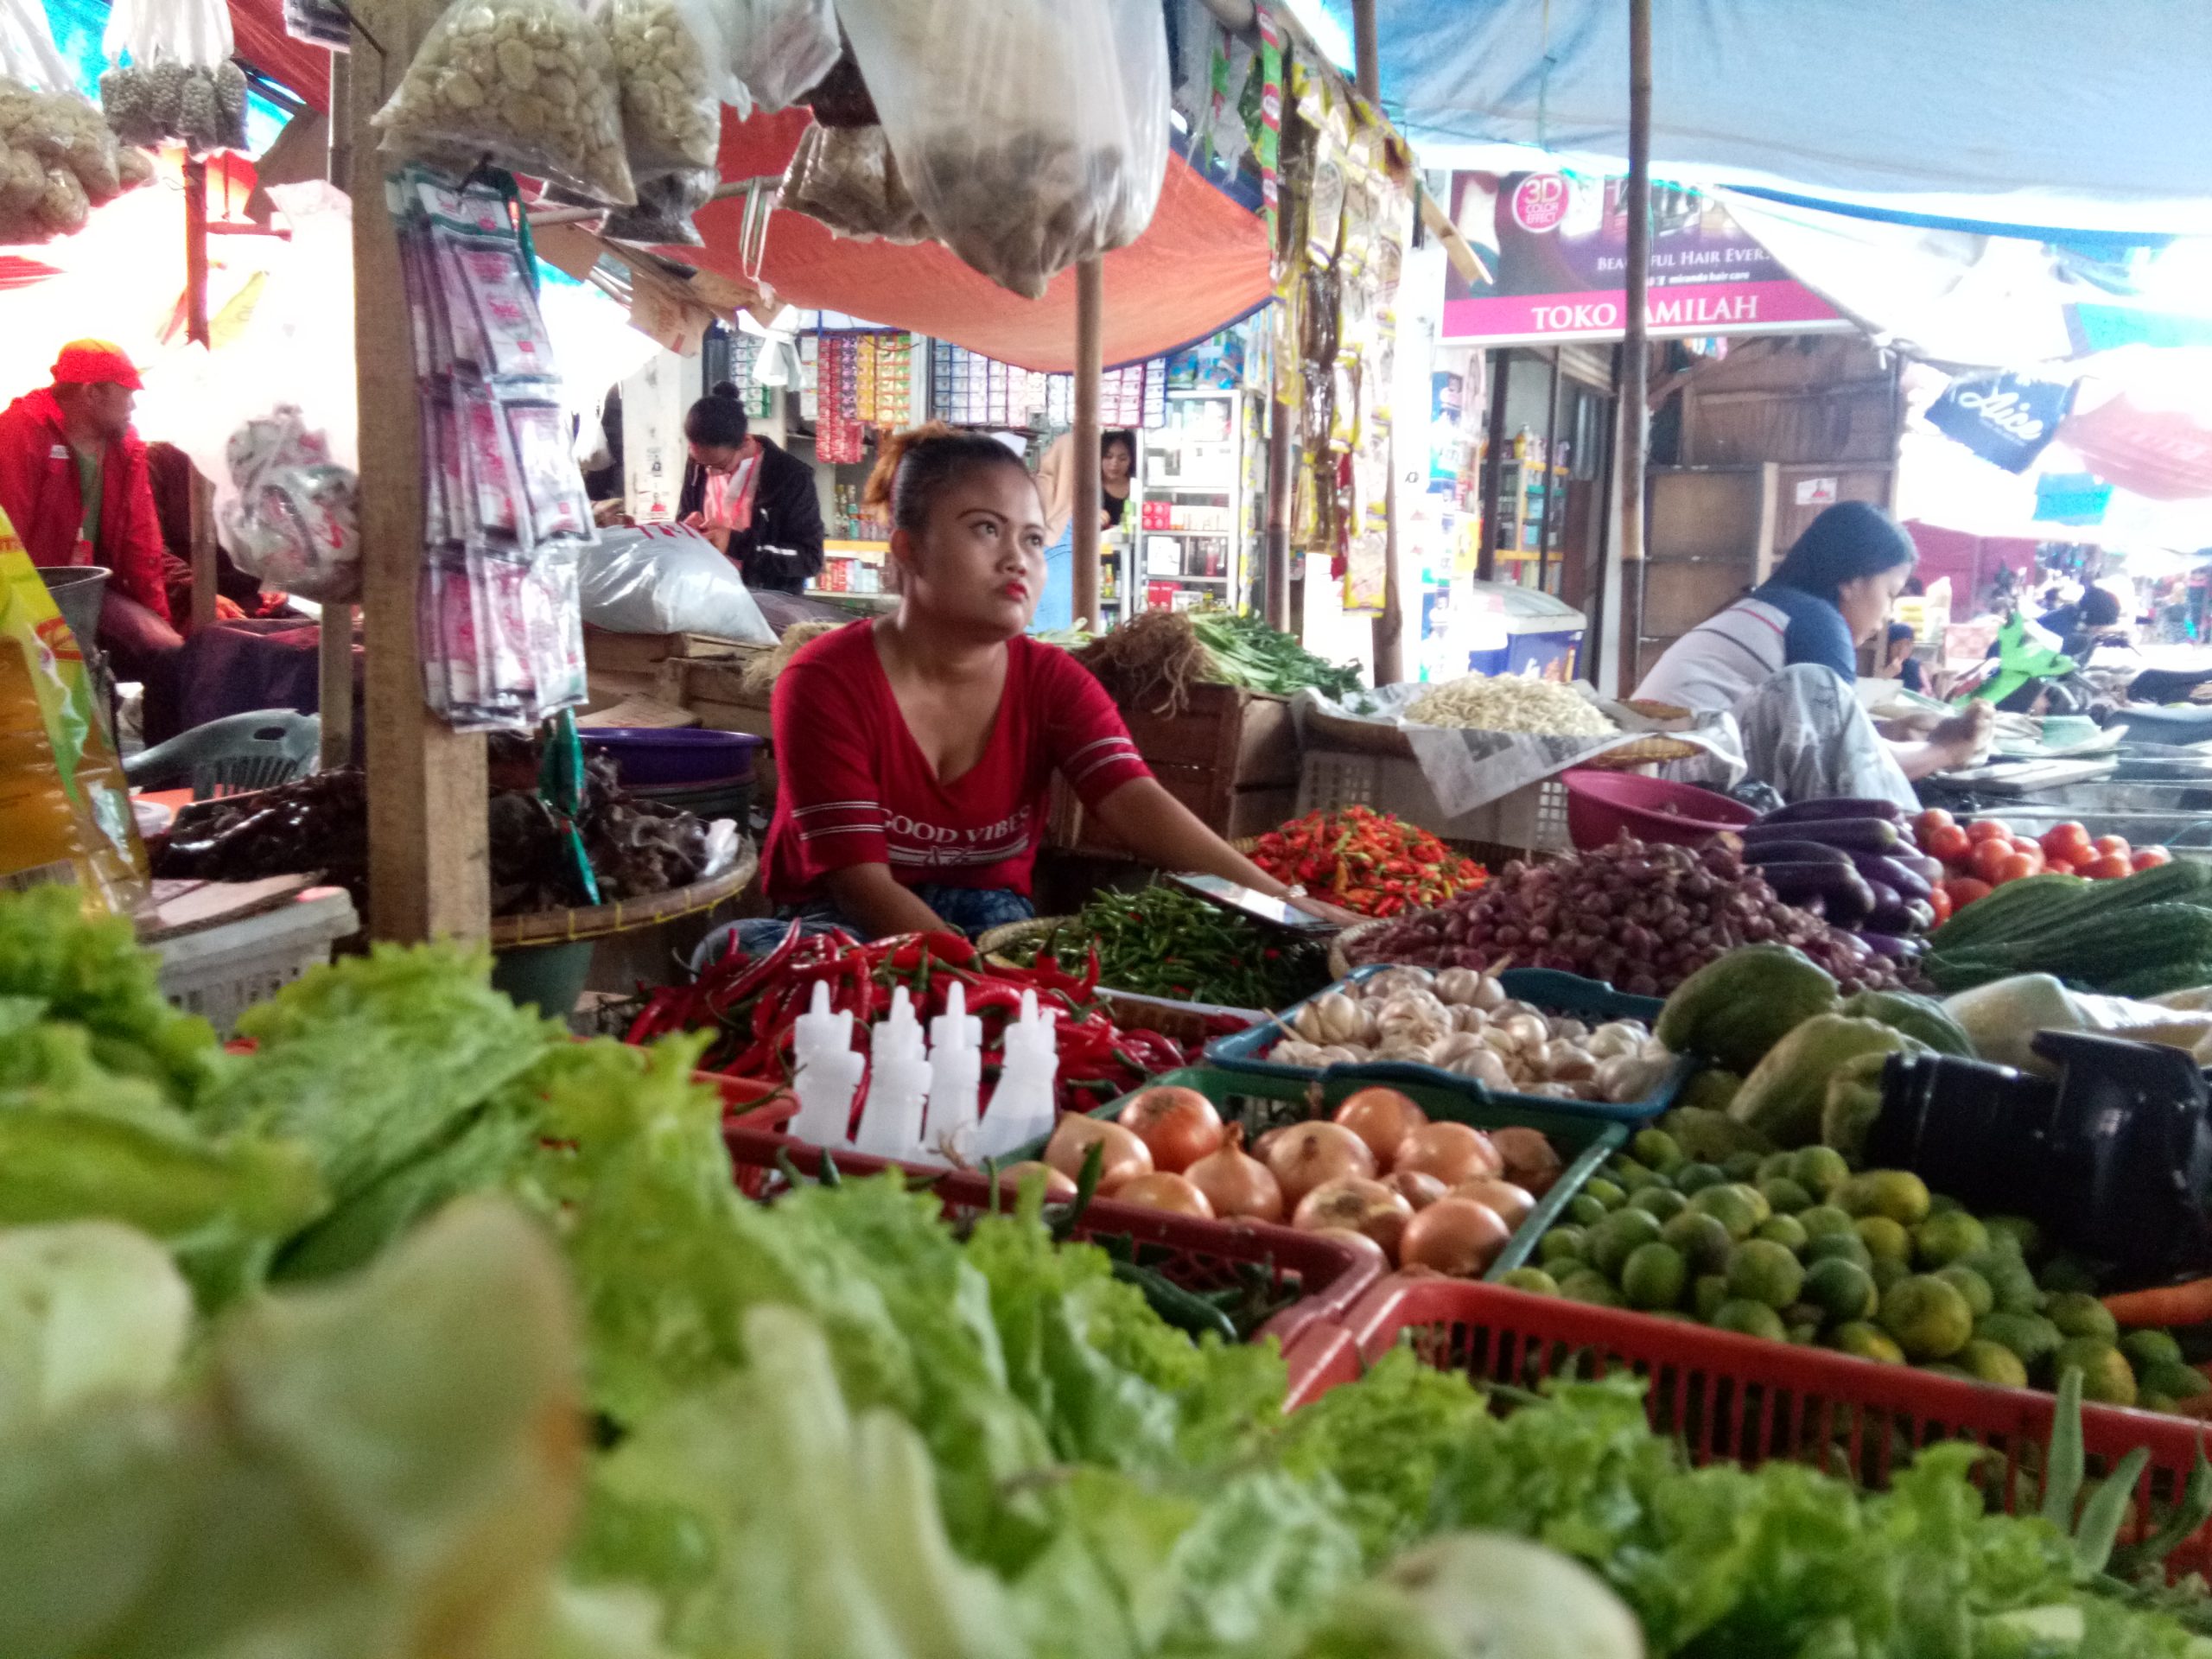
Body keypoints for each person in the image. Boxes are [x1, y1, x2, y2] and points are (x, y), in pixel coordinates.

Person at [744, 423, 1353, 944]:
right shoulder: (823, 680)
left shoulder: (1054, 681)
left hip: (988, 919)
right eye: (986, 529)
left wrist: (1285, 903)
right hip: (840, 923)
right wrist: (982, 988)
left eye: (1033, 538)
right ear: (909, 549)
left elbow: (1134, 802)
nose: (1018, 559)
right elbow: (860, 884)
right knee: (741, 954)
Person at [1635, 501, 1991, 806]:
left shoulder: (1778, 607)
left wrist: (1887, 731)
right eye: (1890, 593)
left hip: (1657, 774)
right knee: (1812, 684)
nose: (1887, 616)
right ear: (1851, 580)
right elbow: (1856, 767)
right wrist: (1945, 751)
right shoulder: (1818, 621)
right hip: (1671, 783)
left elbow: (1820, 736)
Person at [0, 340, 184, 728]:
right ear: (91, 392)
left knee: (168, 652)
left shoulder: (127, 446)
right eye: (127, 392)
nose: (134, 403)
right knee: (54, 689)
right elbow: (7, 532)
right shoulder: (20, 431)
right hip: (28, 589)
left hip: (93, 589)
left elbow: (142, 541)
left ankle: (168, 774)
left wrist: (159, 615)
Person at [675, 383, 824, 594]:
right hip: (705, 596)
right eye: (699, 462)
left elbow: (810, 560)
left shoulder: (791, 477)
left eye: (720, 466)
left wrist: (735, 544)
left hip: (766, 605)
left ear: (745, 442)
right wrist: (684, 528)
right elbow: (684, 514)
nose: (709, 473)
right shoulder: (701, 465)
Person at [1099, 429, 1135, 530]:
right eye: (1108, 456)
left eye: (1122, 458)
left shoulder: (1138, 486)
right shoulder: (1088, 488)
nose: (1115, 463)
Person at [1877, 621, 1926, 693]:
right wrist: (1887, 674)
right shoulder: (1878, 663)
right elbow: (1873, 691)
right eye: (1897, 644)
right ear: (1888, 645)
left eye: (1908, 644)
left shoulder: (1915, 667)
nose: (1902, 649)